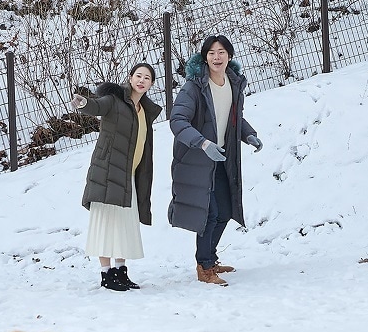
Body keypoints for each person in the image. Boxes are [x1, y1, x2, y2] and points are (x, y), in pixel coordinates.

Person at [168, 35, 263, 286]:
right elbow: (178, 121)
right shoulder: (194, 87)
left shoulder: (233, 83)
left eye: (221, 52)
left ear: (229, 56)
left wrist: (248, 134)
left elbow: (233, 118)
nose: (216, 57)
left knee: (224, 211)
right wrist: (203, 143)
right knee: (208, 214)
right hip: (197, 159)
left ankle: (210, 257)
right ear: (204, 57)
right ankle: (204, 267)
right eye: (211, 53)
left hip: (223, 157)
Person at [70, 63, 161, 291]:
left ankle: (120, 271)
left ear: (151, 84)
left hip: (129, 174)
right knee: (106, 223)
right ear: (130, 78)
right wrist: (83, 104)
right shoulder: (115, 101)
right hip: (108, 170)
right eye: (138, 76)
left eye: (147, 78)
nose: (141, 80)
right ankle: (106, 274)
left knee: (125, 223)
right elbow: (97, 106)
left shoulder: (145, 110)